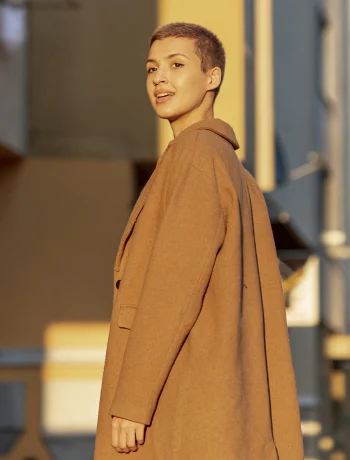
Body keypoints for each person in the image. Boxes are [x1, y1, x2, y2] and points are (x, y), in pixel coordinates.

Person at [94, 22, 304, 460]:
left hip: (178, 401)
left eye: (176, 64)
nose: (160, 79)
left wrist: (132, 401)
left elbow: (171, 287)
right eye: (151, 69)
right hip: (215, 399)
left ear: (213, 77)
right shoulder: (234, 172)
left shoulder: (195, 156)